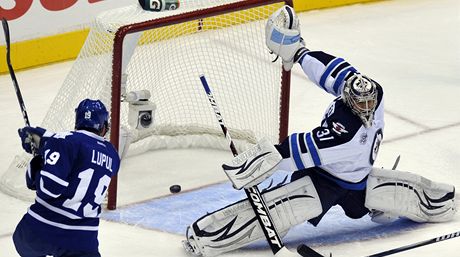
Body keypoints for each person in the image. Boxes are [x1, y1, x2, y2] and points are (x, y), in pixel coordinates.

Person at [183, 6, 456, 257]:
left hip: (358, 182)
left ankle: (443, 204)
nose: (367, 107)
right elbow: (335, 72)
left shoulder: (352, 124)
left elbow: (298, 149)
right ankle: (205, 236)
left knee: (415, 197)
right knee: (281, 211)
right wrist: (300, 53)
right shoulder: (362, 104)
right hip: (323, 182)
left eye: (369, 102)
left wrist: (261, 163)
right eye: (360, 102)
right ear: (349, 97)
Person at [13, 99, 121, 257]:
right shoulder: (113, 155)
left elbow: (47, 188)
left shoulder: (62, 141)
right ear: (104, 127)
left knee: (23, 241)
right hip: (82, 240)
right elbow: (83, 150)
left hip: (39, 231)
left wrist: (40, 161)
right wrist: (47, 144)